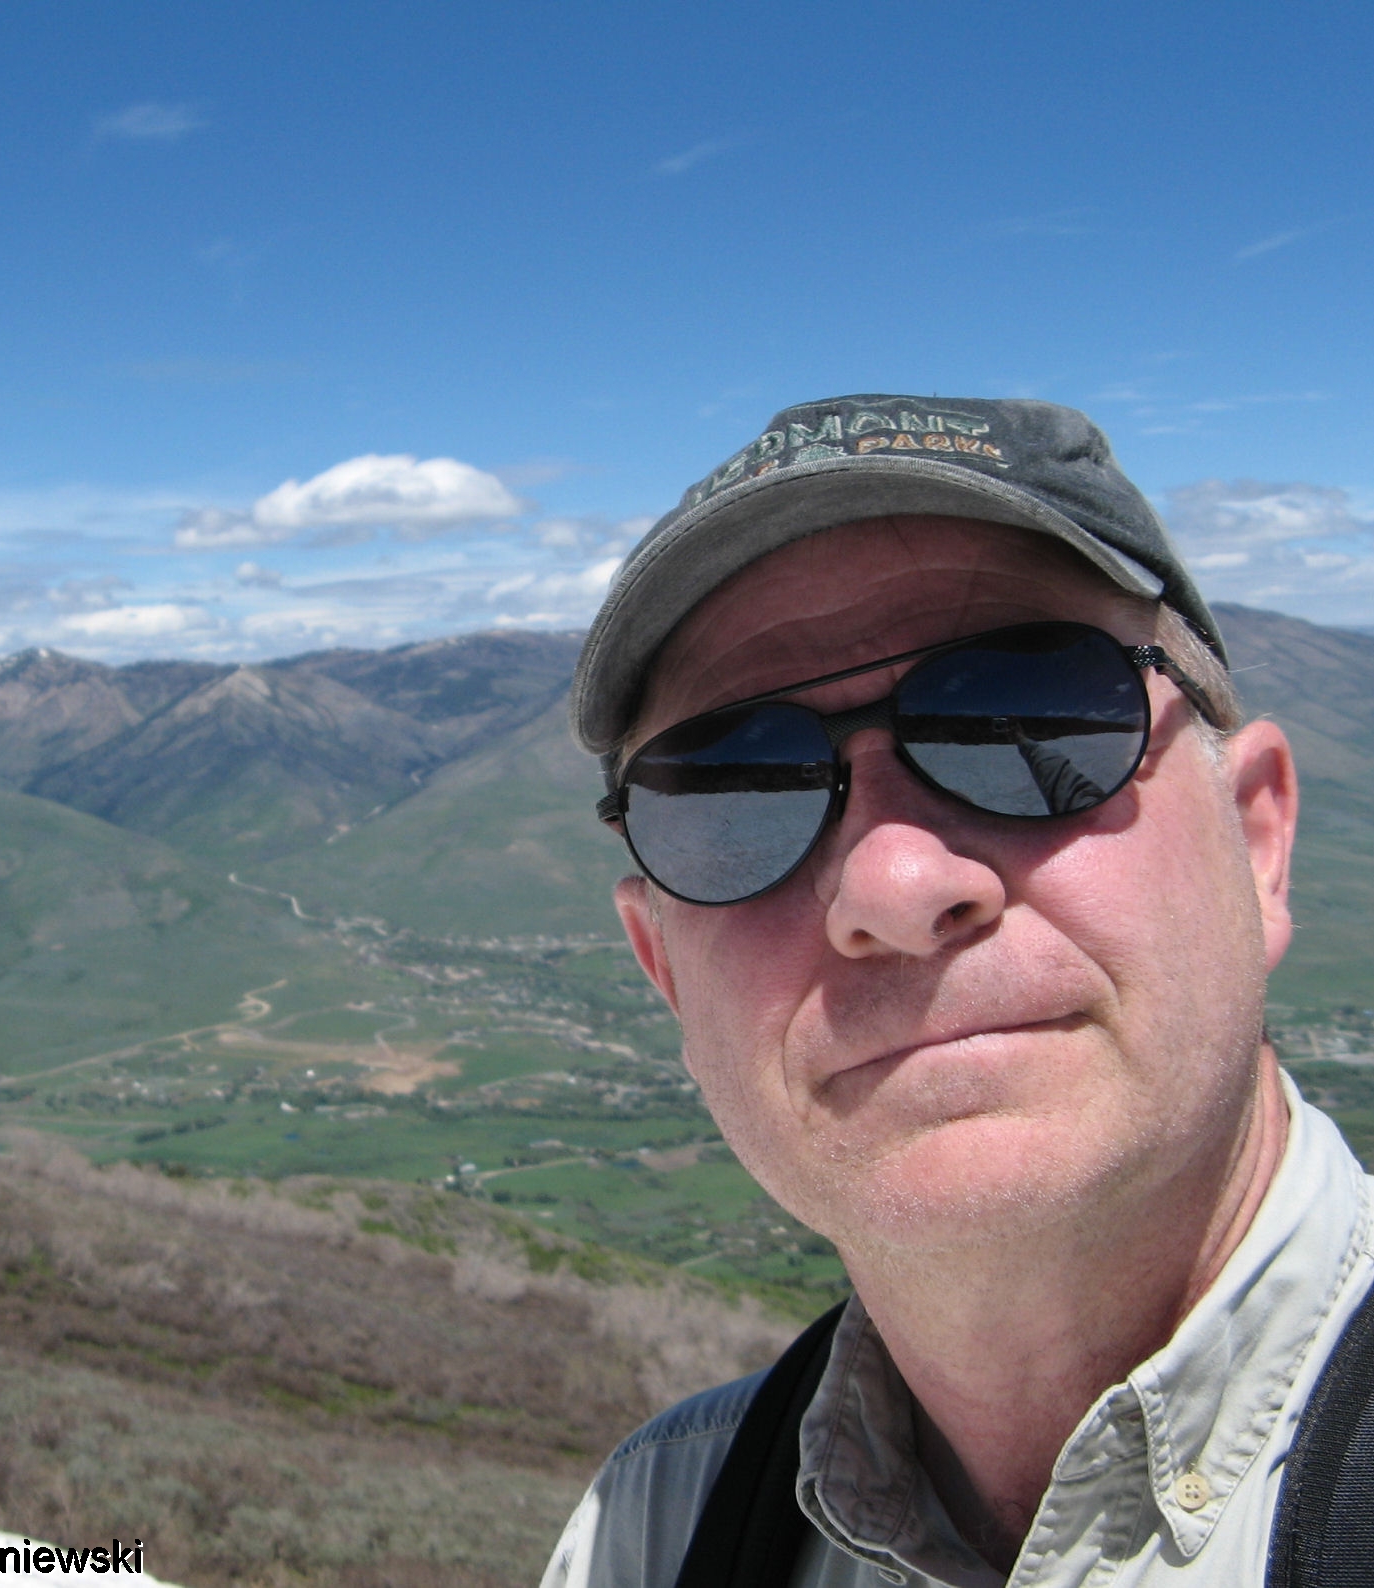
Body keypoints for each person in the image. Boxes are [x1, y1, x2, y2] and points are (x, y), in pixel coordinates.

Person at [541, 394, 1374, 1587]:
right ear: (664, 974)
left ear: (1256, 840)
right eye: (733, 792)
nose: (891, 879)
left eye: (1030, 715)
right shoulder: (652, 1531)